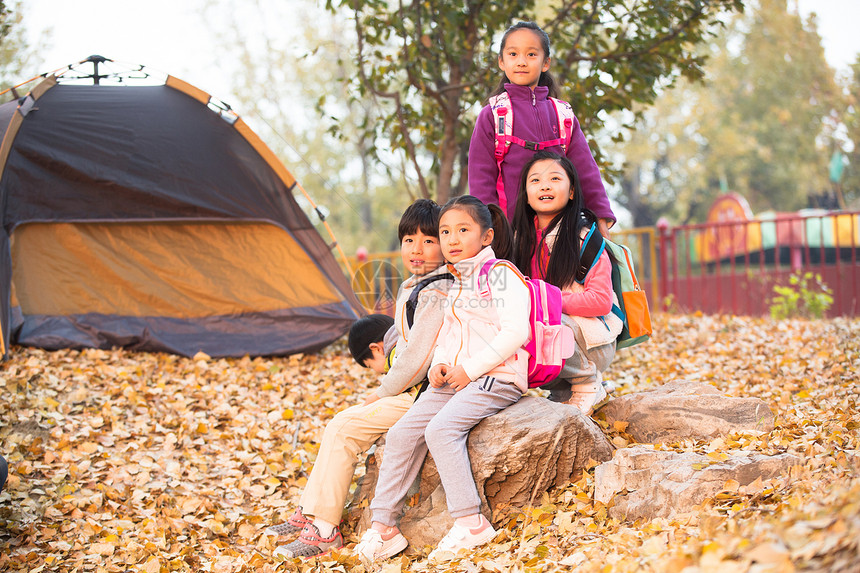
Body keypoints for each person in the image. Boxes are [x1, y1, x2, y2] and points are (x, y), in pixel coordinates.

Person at [268, 199, 452, 559]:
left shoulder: (438, 290)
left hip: (424, 393)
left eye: (428, 240)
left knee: (344, 427)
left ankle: (324, 532)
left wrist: (382, 391)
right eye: (409, 239)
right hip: (410, 389)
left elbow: (419, 357)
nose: (417, 248)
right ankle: (311, 513)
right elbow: (402, 338)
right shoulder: (414, 285)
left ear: (445, 244)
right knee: (340, 424)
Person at [353, 196, 530, 563]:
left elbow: (516, 332)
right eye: (446, 231)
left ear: (486, 236)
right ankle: (383, 528)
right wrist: (443, 365)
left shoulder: (501, 273)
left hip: (497, 377)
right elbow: (450, 336)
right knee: (403, 432)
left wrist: (471, 369)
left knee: (440, 430)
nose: (451, 238)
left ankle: (471, 523)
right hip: (456, 378)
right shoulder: (457, 280)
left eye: (462, 230)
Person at [468, 21, 616, 238]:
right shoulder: (493, 115)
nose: (521, 62)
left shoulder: (562, 115)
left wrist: (601, 215)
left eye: (531, 54)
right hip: (512, 232)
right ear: (501, 61)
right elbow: (481, 177)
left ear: (545, 62)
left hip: (563, 232)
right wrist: (490, 227)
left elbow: (586, 169)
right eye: (513, 54)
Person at [511, 150, 621, 413]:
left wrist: (546, 301)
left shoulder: (585, 240)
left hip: (592, 344)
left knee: (540, 320)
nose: (545, 185)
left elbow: (601, 301)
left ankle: (587, 380)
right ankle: (564, 389)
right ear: (526, 194)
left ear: (572, 192)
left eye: (555, 179)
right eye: (535, 180)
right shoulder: (520, 241)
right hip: (555, 341)